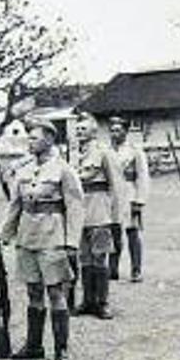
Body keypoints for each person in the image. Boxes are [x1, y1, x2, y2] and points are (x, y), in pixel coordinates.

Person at [1, 118, 84, 360]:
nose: (30, 142)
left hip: (53, 236)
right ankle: (34, 345)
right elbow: (16, 204)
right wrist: (6, 233)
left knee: (55, 291)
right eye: (29, 138)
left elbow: (75, 206)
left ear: (49, 139)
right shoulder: (24, 170)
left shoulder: (63, 170)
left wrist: (72, 242)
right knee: (33, 290)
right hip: (28, 236)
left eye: (34, 138)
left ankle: (61, 349)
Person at [73, 112, 122, 319]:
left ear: (93, 132)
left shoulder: (103, 152)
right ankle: (87, 301)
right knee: (84, 258)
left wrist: (116, 216)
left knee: (100, 257)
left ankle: (102, 302)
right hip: (80, 212)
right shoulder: (73, 154)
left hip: (100, 210)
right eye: (77, 129)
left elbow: (116, 184)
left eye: (83, 129)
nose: (78, 132)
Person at [108, 116, 149, 282]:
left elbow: (143, 176)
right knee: (113, 233)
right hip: (111, 195)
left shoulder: (134, 150)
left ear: (125, 132)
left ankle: (136, 270)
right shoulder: (106, 150)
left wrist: (140, 200)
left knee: (132, 233)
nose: (114, 134)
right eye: (112, 130)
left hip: (129, 192)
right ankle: (113, 269)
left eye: (118, 130)